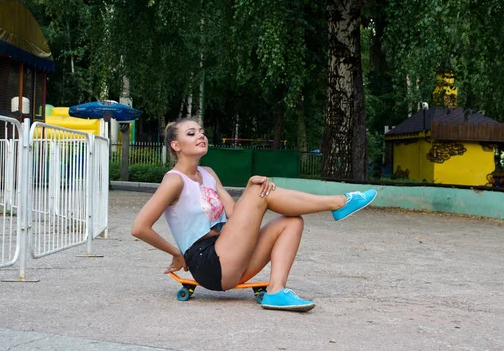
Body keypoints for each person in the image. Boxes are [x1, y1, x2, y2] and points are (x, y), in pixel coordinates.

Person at [131, 117, 377, 312]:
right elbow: (139, 227)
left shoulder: (208, 173)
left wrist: (249, 191)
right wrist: (177, 254)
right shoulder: (174, 181)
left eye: (202, 131)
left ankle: (276, 292)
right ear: (176, 145)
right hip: (208, 261)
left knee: (291, 222)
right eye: (191, 133)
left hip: (229, 253)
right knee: (260, 190)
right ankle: (339, 202)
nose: (201, 135)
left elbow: (236, 215)